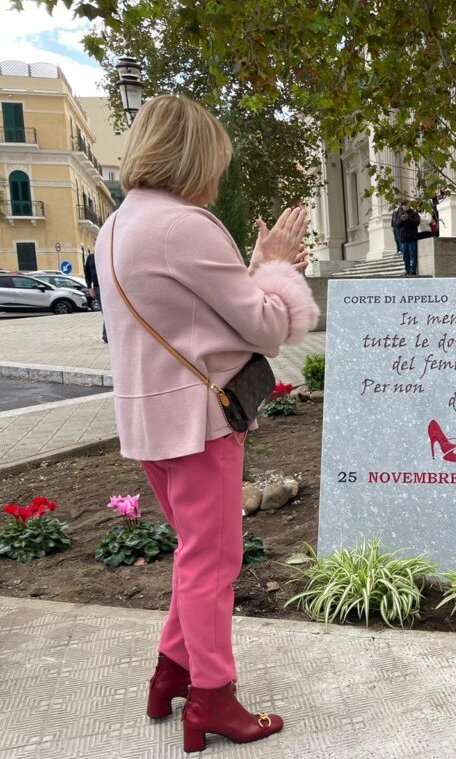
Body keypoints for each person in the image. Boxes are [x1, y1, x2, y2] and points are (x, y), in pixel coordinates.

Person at [94, 95, 320, 752]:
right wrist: (276, 264)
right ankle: (212, 700)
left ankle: (171, 674)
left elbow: (191, 313)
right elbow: (269, 326)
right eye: (215, 161)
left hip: (150, 422)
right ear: (195, 158)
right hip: (200, 423)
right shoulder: (186, 225)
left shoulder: (117, 227)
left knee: (196, 555)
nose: (217, 175)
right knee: (212, 561)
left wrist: (251, 272)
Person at [83, 248, 106, 343]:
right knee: (104, 310)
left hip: (108, 286)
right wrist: (89, 287)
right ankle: (106, 334)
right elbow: (87, 274)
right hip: (97, 287)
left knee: (108, 310)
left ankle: (106, 334)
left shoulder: (106, 255)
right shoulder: (90, 258)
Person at [397, 201, 421, 275]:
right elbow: (397, 225)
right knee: (405, 256)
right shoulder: (400, 214)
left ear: (409, 205)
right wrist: (402, 219)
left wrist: (408, 218)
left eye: (405, 205)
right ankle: (407, 270)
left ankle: (412, 270)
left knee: (412, 256)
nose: (404, 206)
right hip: (404, 239)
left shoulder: (414, 213)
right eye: (403, 205)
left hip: (412, 238)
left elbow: (416, 222)